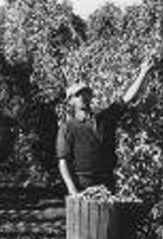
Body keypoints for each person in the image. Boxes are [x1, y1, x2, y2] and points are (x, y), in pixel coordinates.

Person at [56, 58, 154, 196]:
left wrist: (143, 73)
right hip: (82, 186)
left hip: (107, 184)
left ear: (90, 96)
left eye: (85, 93)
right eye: (78, 95)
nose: (82, 97)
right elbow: (63, 163)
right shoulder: (68, 128)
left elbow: (126, 99)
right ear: (70, 101)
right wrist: (74, 193)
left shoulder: (105, 118)